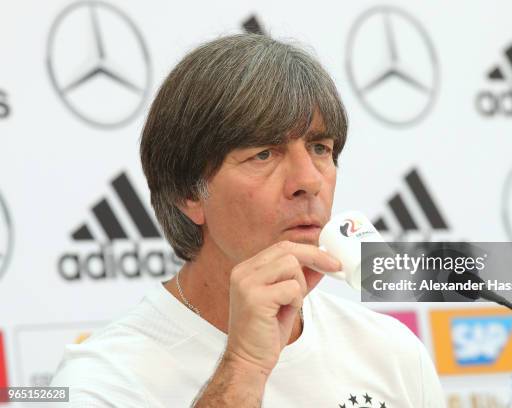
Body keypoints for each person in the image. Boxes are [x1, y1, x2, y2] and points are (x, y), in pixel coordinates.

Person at [51, 33, 445, 407]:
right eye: (264, 154)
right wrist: (243, 366)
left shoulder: (390, 350)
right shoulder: (101, 381)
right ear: (188, 193)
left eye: (320, 148)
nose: (308, 180)